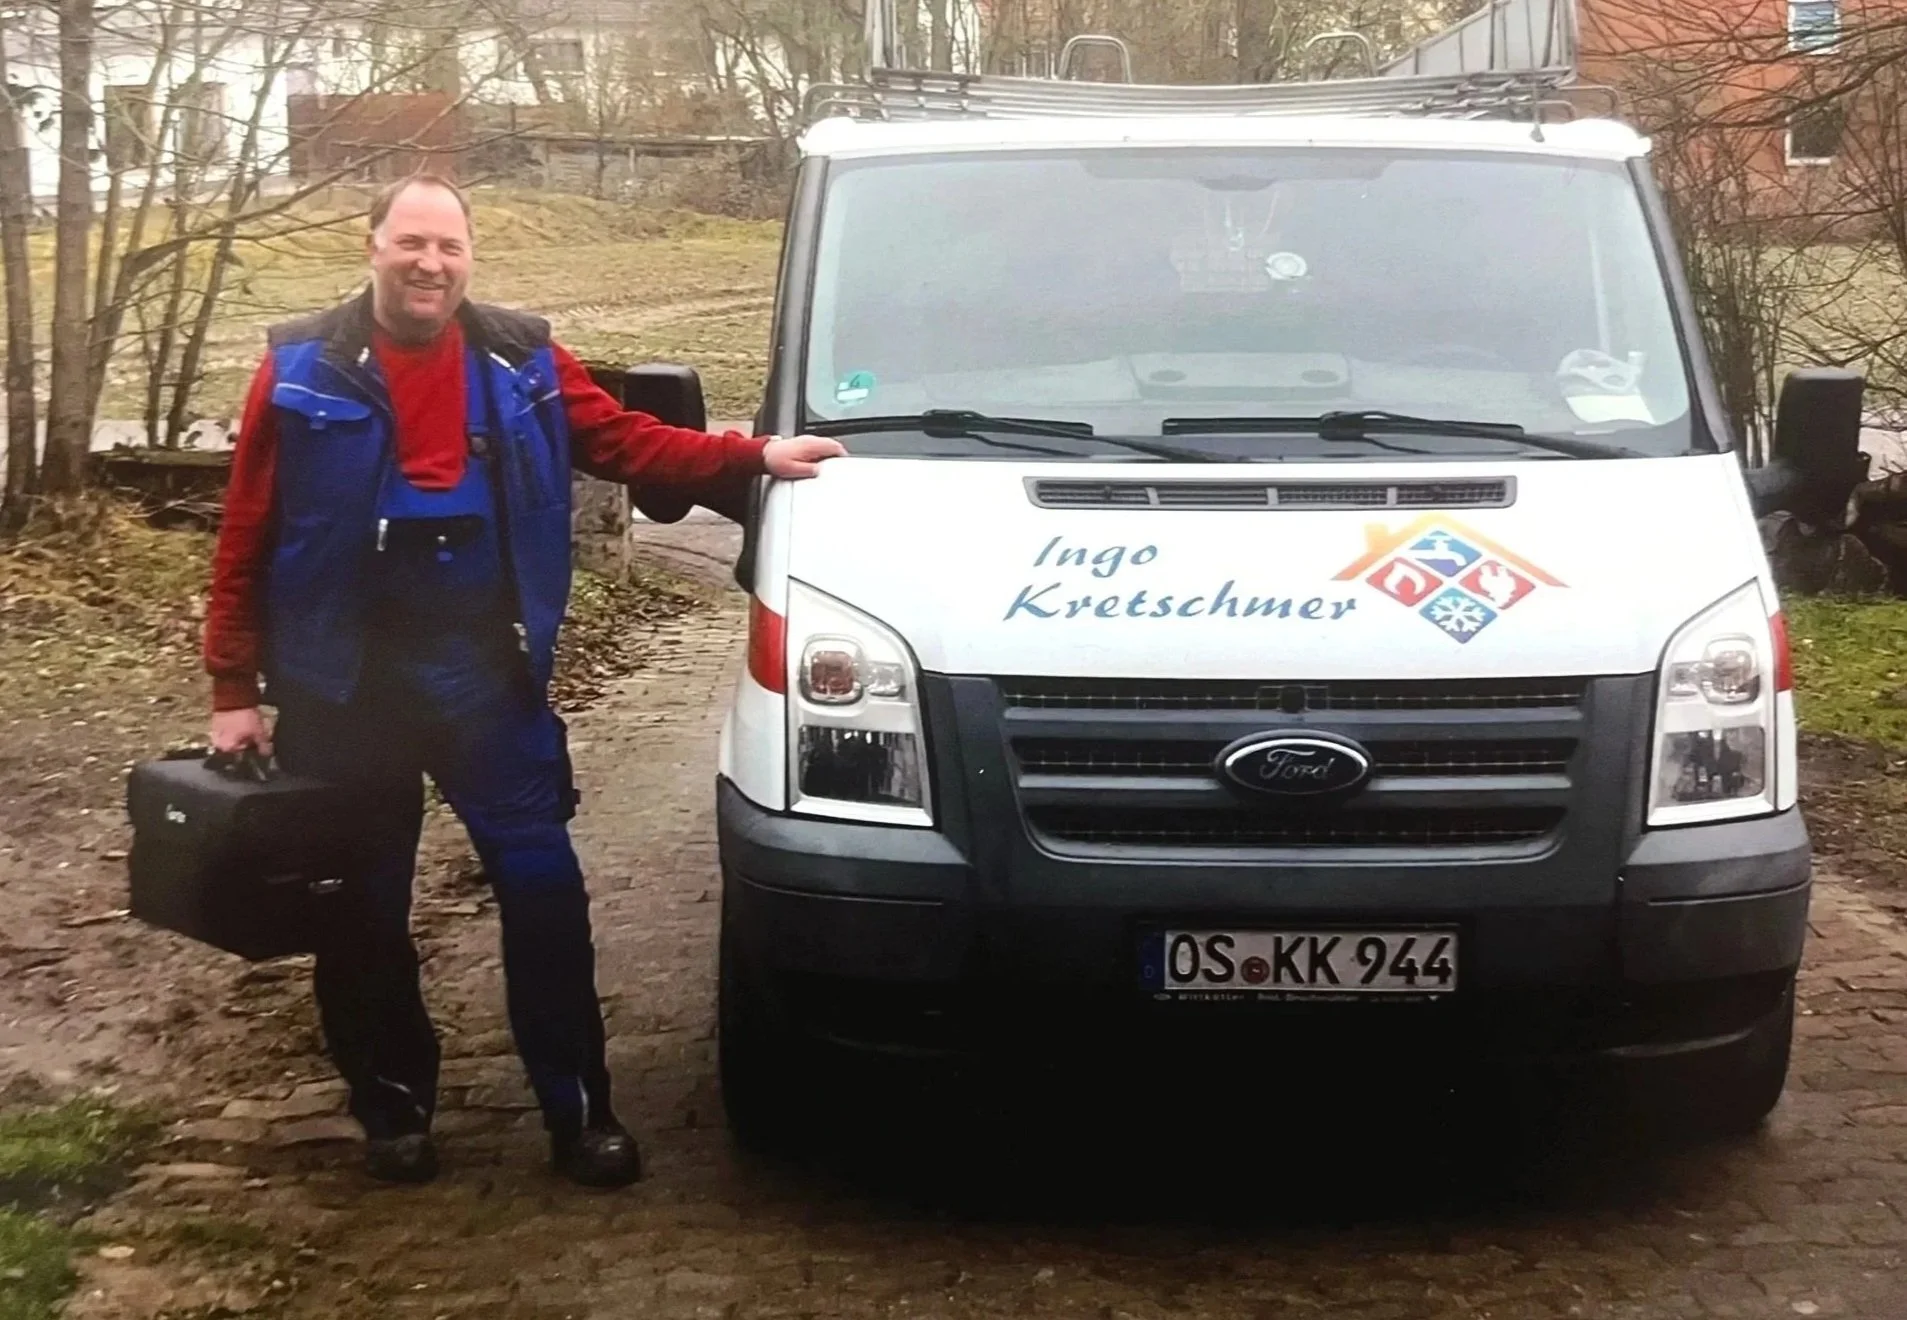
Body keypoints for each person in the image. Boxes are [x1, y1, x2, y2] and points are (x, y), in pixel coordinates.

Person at [201, 173, 845, 1188]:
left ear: (469, 257)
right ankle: (394, 1111)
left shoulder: (521, 356)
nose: (430, 264)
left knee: (545, 891)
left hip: (479, 675)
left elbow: (628, 442)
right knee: (362, 911)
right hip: (342, 687)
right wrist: (231, 688)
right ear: (372, 246)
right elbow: (245, 529)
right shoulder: (297, 365)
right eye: (411, 243)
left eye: (448, 247)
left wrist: (755, 457)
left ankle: (577, 1112)